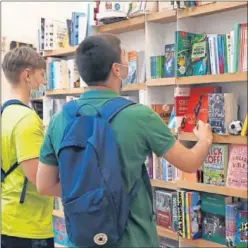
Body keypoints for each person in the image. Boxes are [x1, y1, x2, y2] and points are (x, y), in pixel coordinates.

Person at [37, 34, 213, 247]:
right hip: (133, 239)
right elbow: (190, 162)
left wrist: (90, 192)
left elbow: (44, 186)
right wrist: (204, 139)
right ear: (116, 69)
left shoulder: (59, 120)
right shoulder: (139, 115)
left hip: (82, 239)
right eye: (124, 59)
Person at [1, 47, 54, 248]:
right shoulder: (27, 119)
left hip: (8, 216)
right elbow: (39, 179)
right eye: (42, 75)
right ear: (27, 75)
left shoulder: (4, 113)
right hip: (28, 224)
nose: (44, 82)